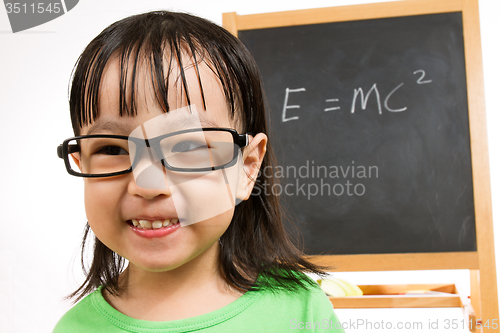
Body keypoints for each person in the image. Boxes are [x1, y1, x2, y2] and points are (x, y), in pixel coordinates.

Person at [53, 10, 345, 332]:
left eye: (188, 147)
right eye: (113, 149)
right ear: (81, 161)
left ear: (247, 168)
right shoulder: (75, 327)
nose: (148, 185)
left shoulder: (301, 311)